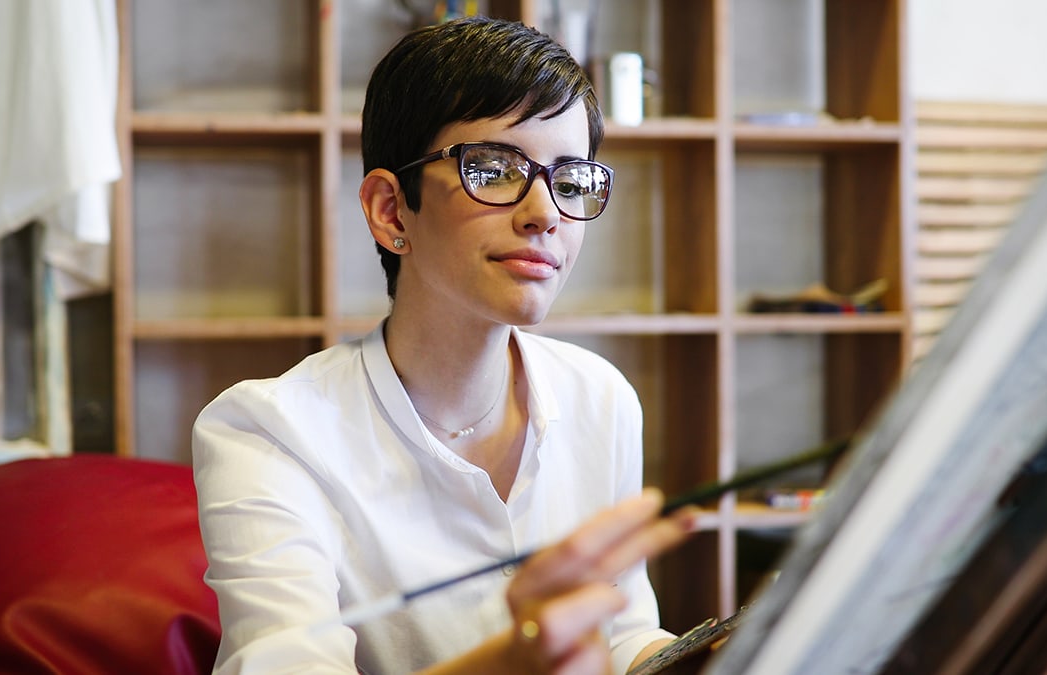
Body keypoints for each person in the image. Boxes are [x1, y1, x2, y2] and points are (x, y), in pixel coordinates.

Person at [192, 15, 695, 674]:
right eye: (494, 168)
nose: (545, 211)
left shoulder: (601, 397)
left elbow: (624, 632)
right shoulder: (268, 432)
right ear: (391, 209)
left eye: (570, 179)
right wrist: (515, 660)